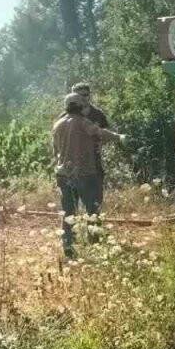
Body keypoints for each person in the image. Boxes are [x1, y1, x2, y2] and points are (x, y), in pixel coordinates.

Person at [53, 92, 125, 257]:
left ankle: (69, 248)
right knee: (92, 209)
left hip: (63, 175)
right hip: (84, 174)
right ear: (79, 106)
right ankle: (96, 244)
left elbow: (55, 151)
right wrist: (119, 137)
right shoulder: (82, 122)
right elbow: (100, 132)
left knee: (68, 213)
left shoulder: (57, 124)